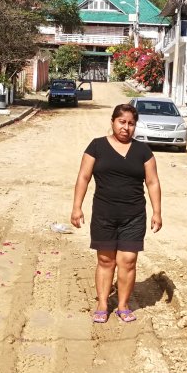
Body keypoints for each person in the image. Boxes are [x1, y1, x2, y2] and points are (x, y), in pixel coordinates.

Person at [71, 103, 163, 323]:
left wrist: (157, 212)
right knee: (105, 260)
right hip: (104, 214)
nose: (126, 127)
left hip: (134, 215)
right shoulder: (96, 146)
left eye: (131, 123)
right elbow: (83, 177)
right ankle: (103, 303)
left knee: (129, 260)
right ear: (112, 122)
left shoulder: (143, 151)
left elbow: (152, 182)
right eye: (122, 122)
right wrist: (77, 207)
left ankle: (122, 304)